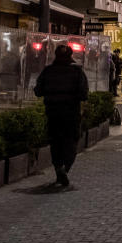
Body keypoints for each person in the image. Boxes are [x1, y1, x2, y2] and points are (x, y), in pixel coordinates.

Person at [33, 45, 89, 187]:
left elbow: (38, 91)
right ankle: (65, 168)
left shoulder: (48, 71)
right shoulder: (76, 72)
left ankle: (58, 169)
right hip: (71, 114)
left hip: (52, 113)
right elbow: (84, 94)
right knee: (71, 142)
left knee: (55, 143)